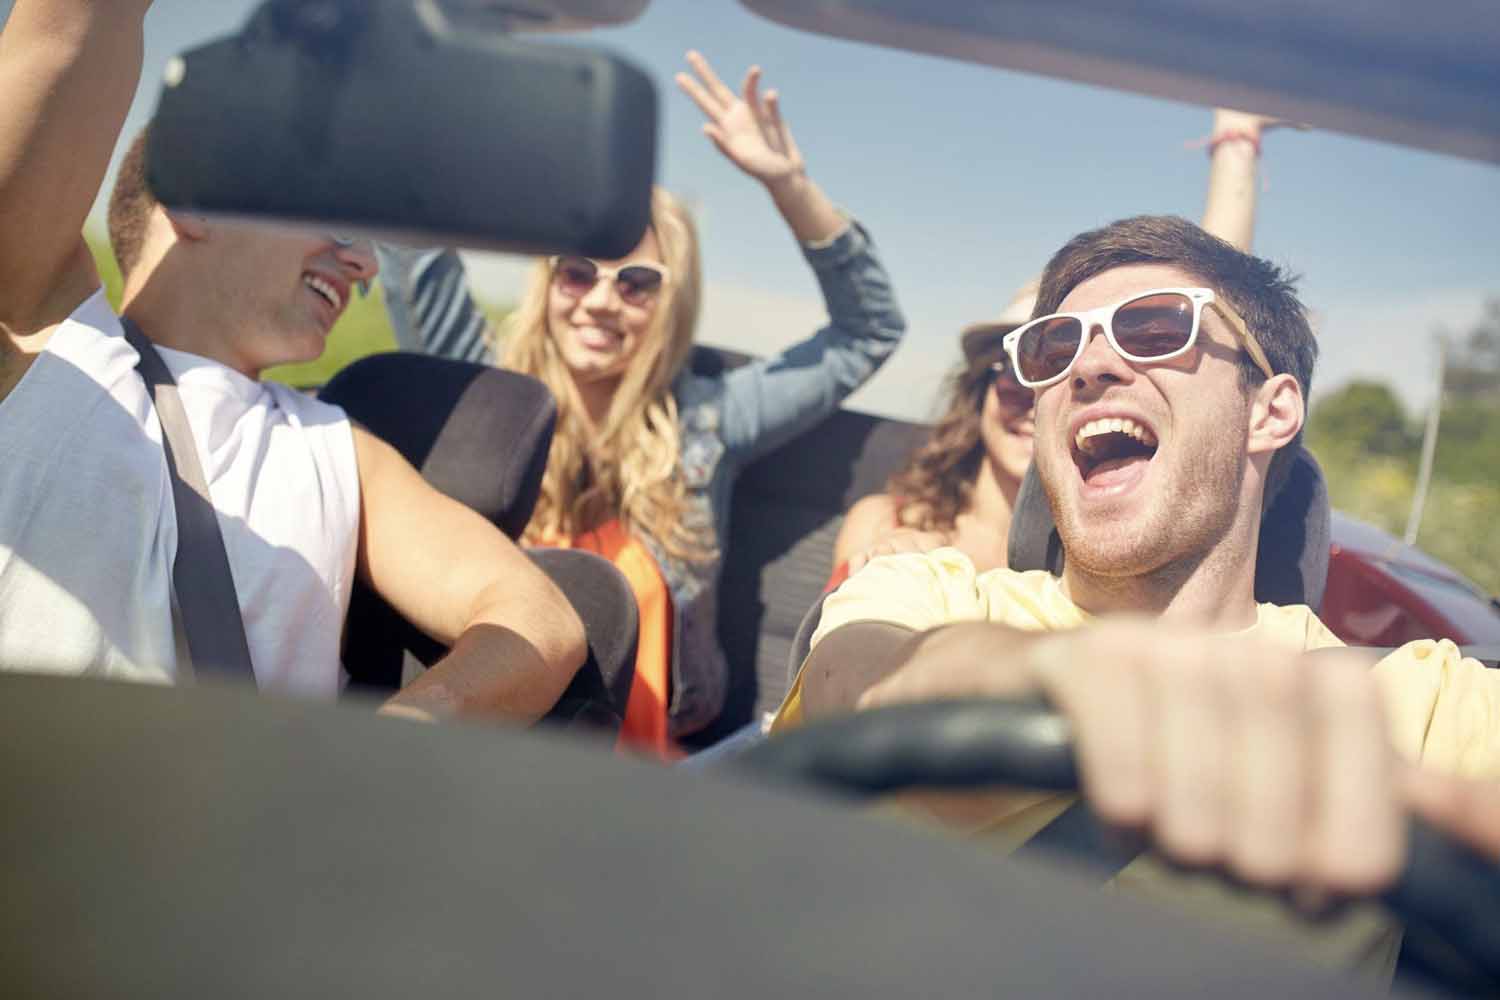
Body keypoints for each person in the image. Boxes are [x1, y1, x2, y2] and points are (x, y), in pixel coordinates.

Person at [775, 214, 1500, 978]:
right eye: (1054, 349)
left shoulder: (1421, 702)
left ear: (1271, 410)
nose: (1088, 366)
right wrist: (1062, 681)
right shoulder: (927, 592)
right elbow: (855, 682)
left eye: (1155, 329)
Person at [0, 0, 586, 724]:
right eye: (333, 206)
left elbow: (539, 620)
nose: (366, 261)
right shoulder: (41, 338)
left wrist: (385, 747)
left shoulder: (338, 447)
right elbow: (71, 27)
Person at [376, 52, 906, 755]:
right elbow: (410, 250)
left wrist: (788, 185)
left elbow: (867, 331)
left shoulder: (711, 420)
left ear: (670, 304)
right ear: (548, 283)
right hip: (480, 747)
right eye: (576, 273)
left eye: (636, 284)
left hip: (648, 766)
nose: (600, 301)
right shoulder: (484, 388)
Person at [832, 110, 1290, 581]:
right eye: (1032, 363)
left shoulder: (1106, 561)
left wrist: (1236, 146)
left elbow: (1214, 313)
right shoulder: (883, 525)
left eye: (1144, 341)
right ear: (980, 392)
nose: (1053, 388)